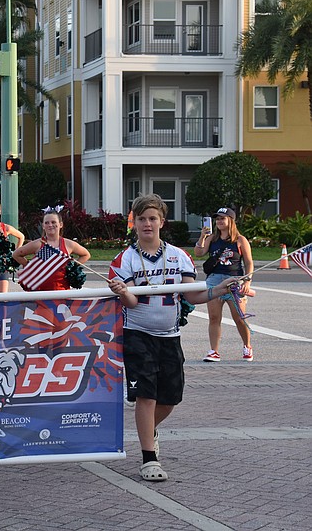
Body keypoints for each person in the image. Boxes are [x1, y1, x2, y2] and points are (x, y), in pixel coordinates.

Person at [108, 194, 237, 482]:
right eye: (142, 219)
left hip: (170, 336)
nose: (147, 223)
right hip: (138, 335)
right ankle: (149, 458)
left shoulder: (179, 256)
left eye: (152, 218)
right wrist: (123, 291)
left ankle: (147, 430)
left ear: (162, 222)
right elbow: (131, 302)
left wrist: (219, 290)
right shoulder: (125, 259)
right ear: (134, 223)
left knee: (170, 399)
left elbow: (191, 295)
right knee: (147, 396)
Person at [193, 207, 255, 362]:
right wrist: (202, 237)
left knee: (239, 317)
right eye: (217, 219)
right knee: (214, 317)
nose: (219, 221)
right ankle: (214, 351)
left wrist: (247, 281)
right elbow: (199, 253)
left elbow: (249, 262)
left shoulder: (240, 240)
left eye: (223, 218)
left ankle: (247, 346)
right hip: (214, 279)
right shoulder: (212, 238)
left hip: (234, 279)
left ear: (230, 220)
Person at [12, 207, 91, 290]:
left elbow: (86, 255)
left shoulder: (69, 244)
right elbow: (16, 254)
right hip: (40, 291)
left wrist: (72, 268)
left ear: (60, 224)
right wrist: (29, 266)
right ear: (43, 226)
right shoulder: (37, 244)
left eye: (53, 222)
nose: (50, 225)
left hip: (62, 290)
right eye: (47, 223)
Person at [0, 201, 26, 292]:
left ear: (0, 212)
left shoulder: (5, 228)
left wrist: (15, 253)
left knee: (3, 295)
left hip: (2, 265)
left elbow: (21, 236)